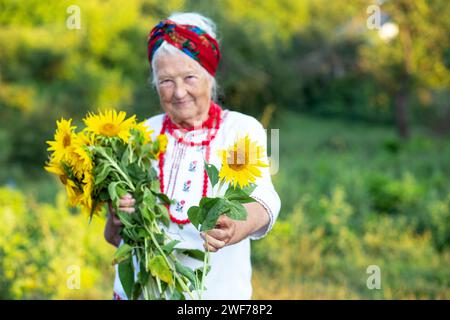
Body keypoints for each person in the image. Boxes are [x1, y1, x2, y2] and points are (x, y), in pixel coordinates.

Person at [104, 12, 281, 300]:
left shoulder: (237, 130)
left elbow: (263, 198)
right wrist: (118, 217)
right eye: (165, 81)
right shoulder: (141, 135)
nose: (179, 92)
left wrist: (235, 225)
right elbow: (112, 237)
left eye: (189, 77)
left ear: (210, 77)